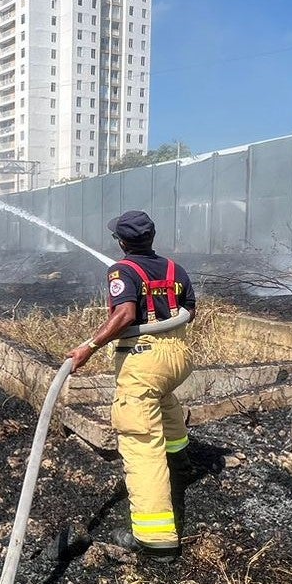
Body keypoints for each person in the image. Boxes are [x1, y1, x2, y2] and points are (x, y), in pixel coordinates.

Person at [66, 210, 197, 556]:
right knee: (163, 397)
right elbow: (189, 310)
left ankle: (156, 539)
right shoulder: (175, 270)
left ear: (122, 242)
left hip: (144, 358)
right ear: (151, 238)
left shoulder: (121, 271)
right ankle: (181, 460)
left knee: (140, 442)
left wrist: (88, 347)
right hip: (178, 355)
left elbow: (123, 315)